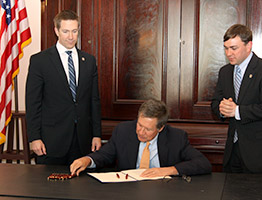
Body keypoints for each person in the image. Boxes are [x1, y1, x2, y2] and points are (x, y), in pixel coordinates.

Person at [26, 10, 102, 165]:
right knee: (49, 188)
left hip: (82, 141)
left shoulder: (88, 61)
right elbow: (33, 103)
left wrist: (96, 134)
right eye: (66, 31)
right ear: (56, 30)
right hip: (50, 142)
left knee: (81, 188)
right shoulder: (40, 61)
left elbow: (94, 101)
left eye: (74, 31)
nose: (70, 36)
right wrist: (34, 138)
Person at [70, 99, 212, 177]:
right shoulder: (123, 131)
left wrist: (169, 170)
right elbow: (104, 155)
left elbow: (203, 163)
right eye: (139, 125)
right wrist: (87, 160)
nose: (141, 131)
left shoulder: (176, 137)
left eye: (148, 129)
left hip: (163, 192)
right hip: (128, 191)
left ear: (160, 128)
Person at [211, 24, 262, 174]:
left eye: (234, 48)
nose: (228, 53)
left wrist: (237, 111)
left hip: (260, 155)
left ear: (248, 45)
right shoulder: (225, 72)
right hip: (233, 152)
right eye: (226, 48)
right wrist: (222, 109)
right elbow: (215, 103)